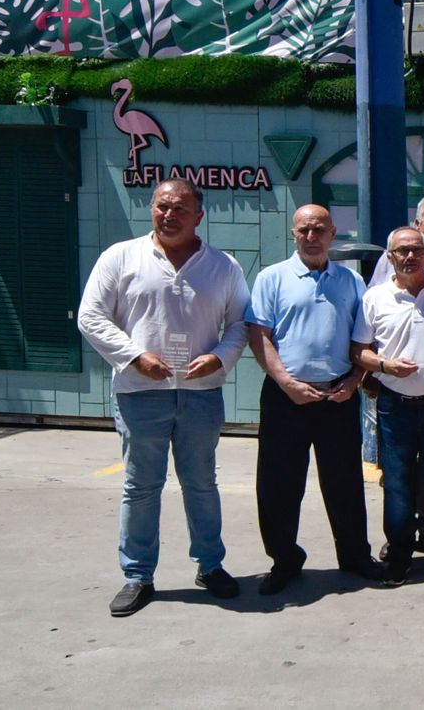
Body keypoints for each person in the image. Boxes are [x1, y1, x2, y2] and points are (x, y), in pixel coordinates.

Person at [77, 178, 250, 617]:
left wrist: (220, 358)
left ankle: (210, 565)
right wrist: (134, 356)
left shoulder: (223, 266)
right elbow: (90, 317)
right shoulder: (121, 257)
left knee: (202, 484)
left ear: (199, 216)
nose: (168, 215)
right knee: (141, 486)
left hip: (201, 395)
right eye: (161, 206)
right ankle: (138, 575)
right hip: (141, 394)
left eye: (179, 209)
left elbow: (241, 325)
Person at [246, 205, 380, 596]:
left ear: (333, 232)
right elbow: (260, 336)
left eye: (319, 228)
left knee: (345, 483)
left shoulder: (352, 281)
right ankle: (284, 560)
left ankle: (355, 555)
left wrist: (356, 379)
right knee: (278, 484)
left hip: (338, 395)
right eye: (304, 229)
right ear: (293, 233)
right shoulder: (272, 278)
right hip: (286, 396)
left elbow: (364, 340)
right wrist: (286, 382)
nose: (311, 235)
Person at [353, 227, 424, 586]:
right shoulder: (374, 298)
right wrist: (385, 366)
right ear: (390, 258)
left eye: (417, 250)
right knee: (398, 484)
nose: (410, 257)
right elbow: (358, 351)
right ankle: (400, 556)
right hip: (394, 407)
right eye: (401, 251)